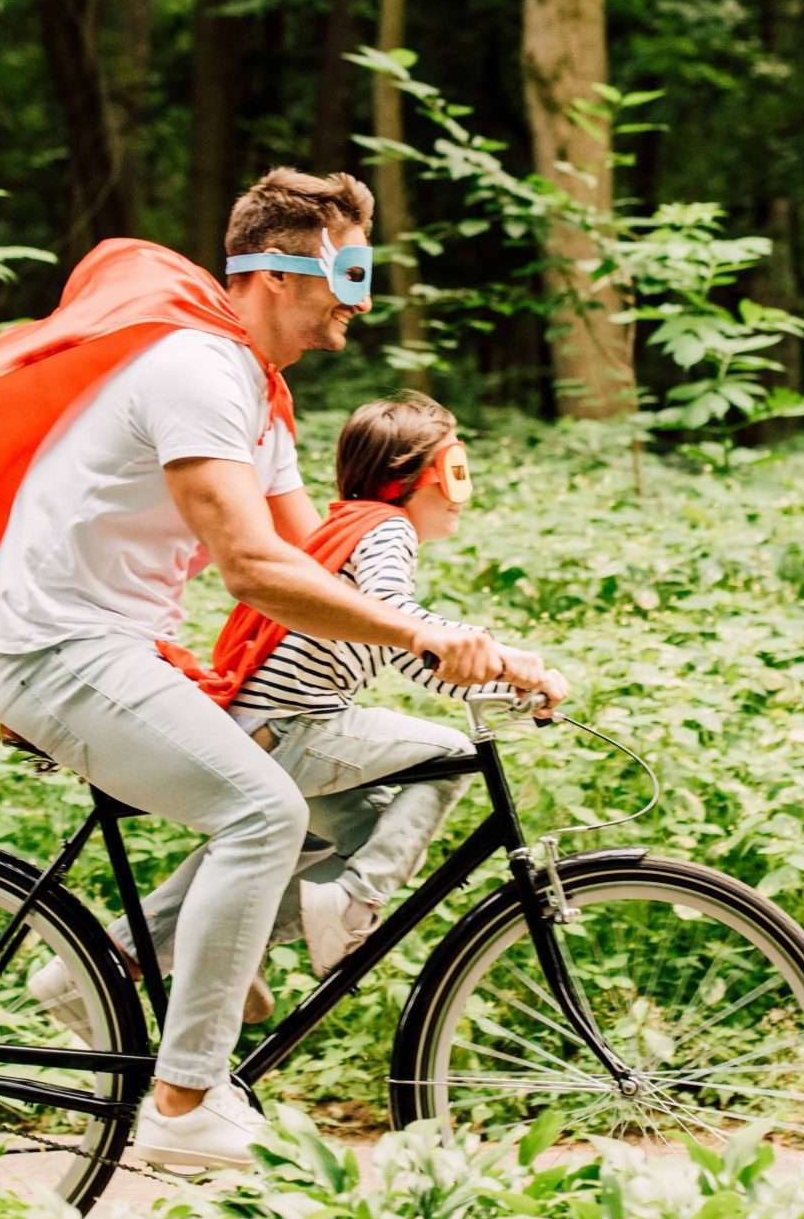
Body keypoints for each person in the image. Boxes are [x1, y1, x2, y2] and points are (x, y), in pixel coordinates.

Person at [0, 169, 545, 1172]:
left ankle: (146, 967)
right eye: (347, 270)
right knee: (263, 810)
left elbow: (318, 570)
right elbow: (253, 568)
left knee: (316, 792)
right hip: (57, 648)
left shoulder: (258, 398)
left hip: (113, 648)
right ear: (282, 271)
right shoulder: (197, 367)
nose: (359, 298)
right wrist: (425, 642)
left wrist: (472, 653)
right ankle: (184, 1098)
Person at [33, 393, 566, 1036]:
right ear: (407, 477)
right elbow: (403, 620)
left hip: (265, 729)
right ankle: (355, 905)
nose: (462, 491)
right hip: (294, 726)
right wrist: (508, 659)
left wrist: (503, 687)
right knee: (450, 760)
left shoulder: (348, 528)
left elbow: (408, 655)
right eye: (454, 470)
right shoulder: (386, 530)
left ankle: (96, 971)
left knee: (336, 835)